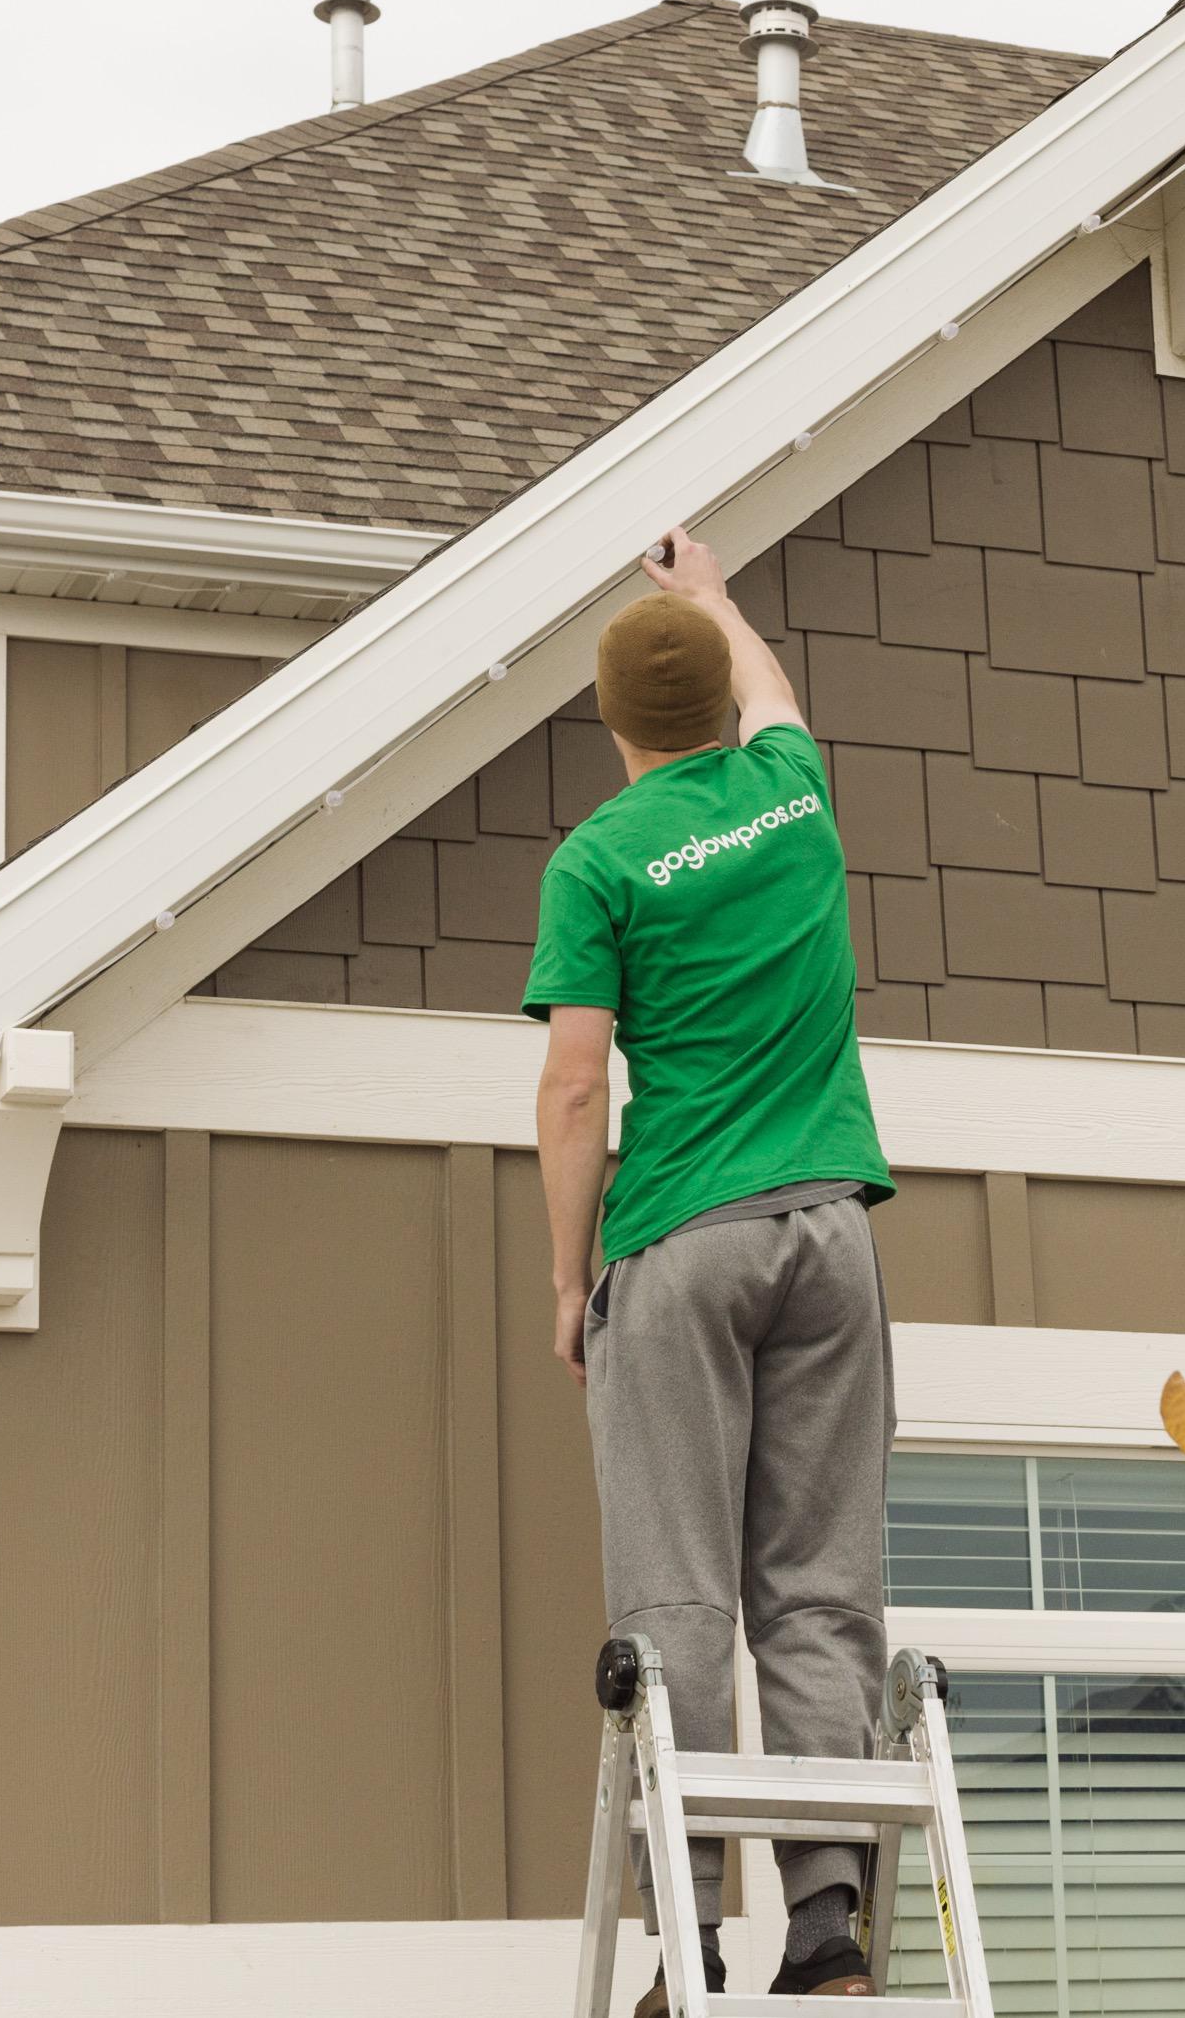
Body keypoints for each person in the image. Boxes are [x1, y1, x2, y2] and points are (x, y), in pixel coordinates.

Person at [526, 526, 897, 2008]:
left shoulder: (601, 858)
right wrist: (714, 594)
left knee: (676, 1589)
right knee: (818, 1584)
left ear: (616, 722)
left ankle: (686, 1932)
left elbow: (571, 1091)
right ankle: (826, 1931)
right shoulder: (794, 794)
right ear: (720, 707)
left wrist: (571, 1281)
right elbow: (776, 690)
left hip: (681, 1238)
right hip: (833, 1233)